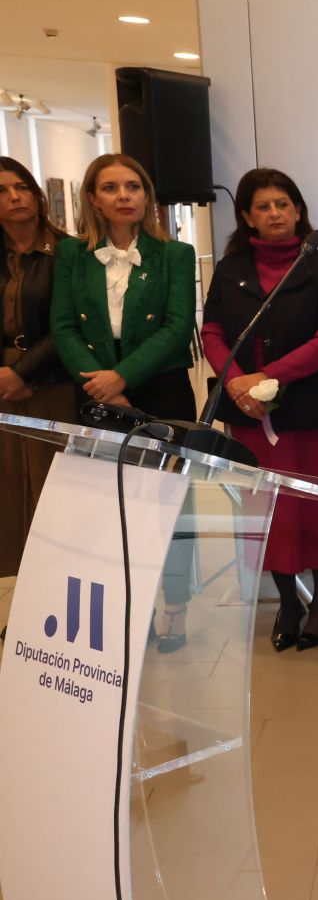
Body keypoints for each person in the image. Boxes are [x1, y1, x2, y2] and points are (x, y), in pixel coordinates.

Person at [201, 168, 318, 651]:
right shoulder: (230, 270)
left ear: (298, 210)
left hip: (314, 411)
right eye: (264, 206)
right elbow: (211, 332)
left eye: (283, 204)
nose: (275, 214)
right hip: (250, 412)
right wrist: (236, 384)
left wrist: (267, 379)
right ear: (247, 216)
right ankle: (288, 602)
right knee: (268, 511)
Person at [49, 153, 197, 650]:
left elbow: (178, 330)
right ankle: (124, 609)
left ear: (147, 196)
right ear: (93, 198)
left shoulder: (174, 255)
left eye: (133, 186)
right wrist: (102, 382)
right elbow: (63, 326)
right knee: (110, 505)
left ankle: (173, 607)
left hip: (160, 389)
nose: (124, 196)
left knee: (167, 504)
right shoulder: (71, 255)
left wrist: (123, 376)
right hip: (94, 390)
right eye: (111, 188)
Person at [0, 158, 73, 578]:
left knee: (53, 490)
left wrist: (23, 373)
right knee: (10, 494)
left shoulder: (66, 251)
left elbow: (68, 326)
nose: (14, 197)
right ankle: (23, 592)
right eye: (4, 191)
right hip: (3, 387)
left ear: (36, 195)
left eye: (22, 187)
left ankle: (57, 590)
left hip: (53, 383)